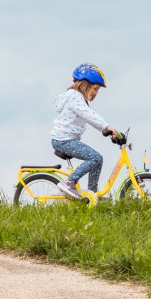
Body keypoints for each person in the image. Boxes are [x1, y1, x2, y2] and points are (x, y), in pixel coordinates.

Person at [51, 63, 122, 200]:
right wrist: (106, 127)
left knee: (98, 159)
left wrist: (104, 130)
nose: (96, 93)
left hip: (65, 139)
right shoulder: (75, 97)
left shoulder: (76, 98)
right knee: (95, 157)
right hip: (63, 140)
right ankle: (69, 182)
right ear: (84, 84)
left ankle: (92, 194)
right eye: (95, 88)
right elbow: (89, 115)